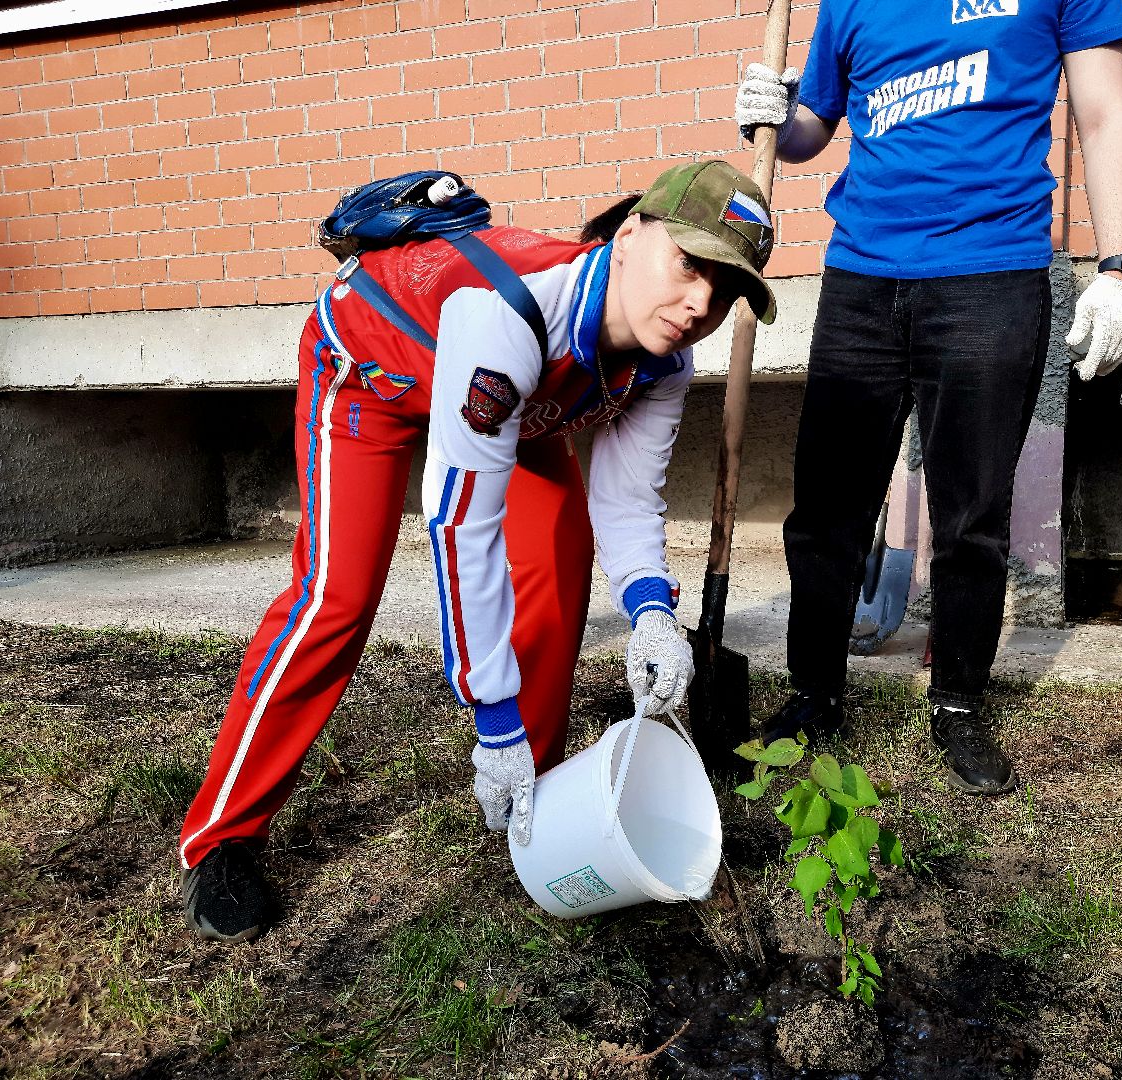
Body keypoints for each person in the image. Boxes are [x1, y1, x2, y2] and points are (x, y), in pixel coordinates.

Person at [178, 160, 778, 942]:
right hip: (370, 372)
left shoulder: (663, 359)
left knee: (562, 555)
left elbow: (626, 500)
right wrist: (489, 716)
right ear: (630, 235)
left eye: (726, 289)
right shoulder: (512, 316)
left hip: (513, 406)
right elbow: (464, 526)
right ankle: (222, 834)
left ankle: (535, 800)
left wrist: (652, 614)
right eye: (690, 264)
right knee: (336, 597)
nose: (702, 303)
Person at [734, 0, 1122, 794]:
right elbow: (814, 128)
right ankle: (814, 696)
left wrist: (1120, 267)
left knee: (971, 519)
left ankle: (958, 704)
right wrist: (774, 118)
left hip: (991, 274)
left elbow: (1102, 112)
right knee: (826, 512)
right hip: (860, 275)